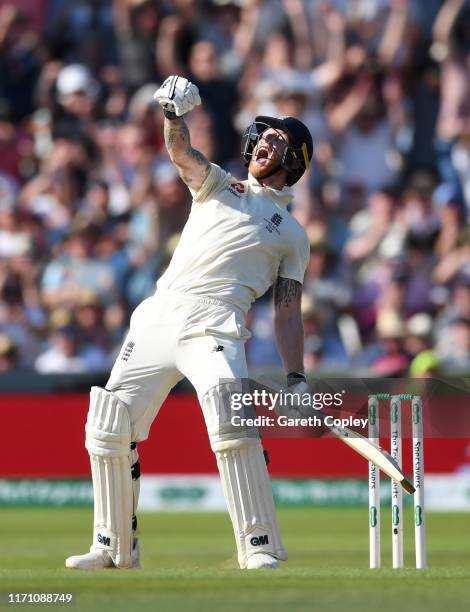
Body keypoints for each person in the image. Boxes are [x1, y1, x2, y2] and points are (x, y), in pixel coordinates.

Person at [65, 75, 313, 571]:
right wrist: (173, 115)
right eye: (264, 136)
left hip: (216, 325)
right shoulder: (219, 183)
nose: (265, 142)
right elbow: (181, 154)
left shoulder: (292, 234)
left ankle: (260, 544)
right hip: (160, 312)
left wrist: (296, 377)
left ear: (294, 162)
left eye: (278, 141)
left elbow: (286, 311)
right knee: (108, 423)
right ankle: (114, 548)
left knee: (231, 420)